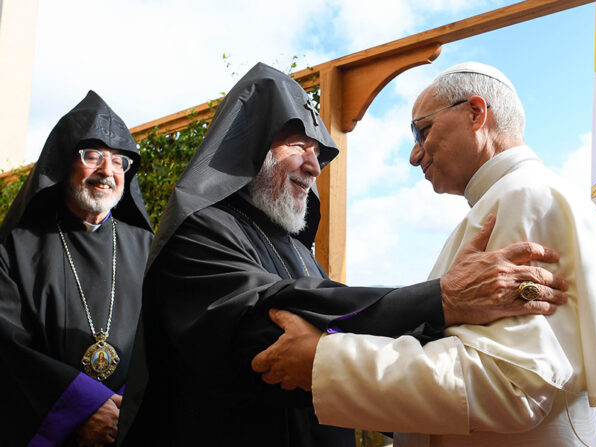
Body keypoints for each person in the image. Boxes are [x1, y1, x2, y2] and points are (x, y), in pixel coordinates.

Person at [117, 62, 571, 447]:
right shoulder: (199, 234)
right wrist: (442, 298)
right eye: (298, 145)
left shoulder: (295, 248)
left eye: (318, 152)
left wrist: (445, 317)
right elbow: (268, 332)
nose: (314, 166)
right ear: (247, 149)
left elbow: (348, 323)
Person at [252, 62, 596, 446]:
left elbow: (511, 385)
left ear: (476, 113)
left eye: (422, 130)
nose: (414, 154)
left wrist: (324, 360)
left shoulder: (523, 197)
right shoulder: (517, 196)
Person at [0, 91, 153, 446]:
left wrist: (125, 407)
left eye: (119, 161)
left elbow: (165, 335)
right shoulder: (16, 247)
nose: (107, 171)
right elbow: (8, 346)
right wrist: (82, 408)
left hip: (130, 425)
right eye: (93, 156)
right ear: (63, 162)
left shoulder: (148, 248)